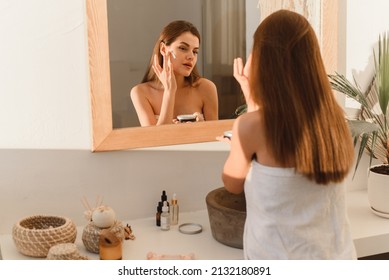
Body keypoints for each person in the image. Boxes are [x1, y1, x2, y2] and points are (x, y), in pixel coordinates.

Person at [220, 10, 356, 259]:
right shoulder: (334, 121)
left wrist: (251, 101)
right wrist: (253, 99)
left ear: (262, 60)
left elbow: (232, 184)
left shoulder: (249, 127)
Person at [130, 20, 218, 126]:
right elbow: (156, 140)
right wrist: (169, 91)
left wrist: (201, 126)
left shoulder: (206, 88)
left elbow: (214, 138)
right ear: (163, 49)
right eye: (183, 48)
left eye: (195, 51)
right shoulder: (141, 93)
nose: (191, 56)